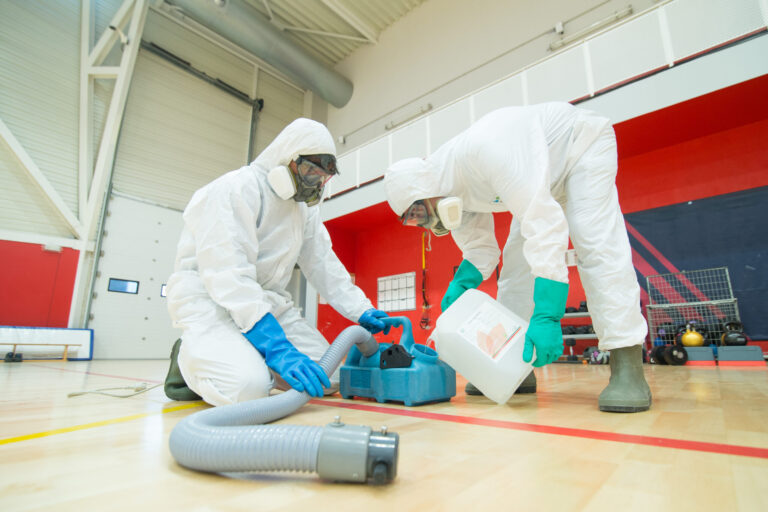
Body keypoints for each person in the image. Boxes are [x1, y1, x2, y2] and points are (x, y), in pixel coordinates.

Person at [384, 102, 651, 412]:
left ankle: (626, 361)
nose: (426, 223)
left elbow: (545, 225)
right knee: (514, 268)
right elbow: (480, 250)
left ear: (425, 187)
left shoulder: (484, 150)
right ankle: (516, 364)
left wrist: (547, 315)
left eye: (419, 213)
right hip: (538, 181)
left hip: (580, 148)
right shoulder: (448, 194)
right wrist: (461, 284)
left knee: (595, 245)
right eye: (415, 221)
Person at [164, 118, 389, 406]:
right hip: (213, 303)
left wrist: (363, 311)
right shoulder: (235, 189)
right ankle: (186, 361)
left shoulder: (302, 212)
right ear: (287, 160)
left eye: (322, 178)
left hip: (267, 304)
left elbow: (323, 265)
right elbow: (227, 276)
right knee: (248, 389)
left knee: (329, 377)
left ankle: (244, 353)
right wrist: (277, 347)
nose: (316, 184)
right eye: (310, 171)